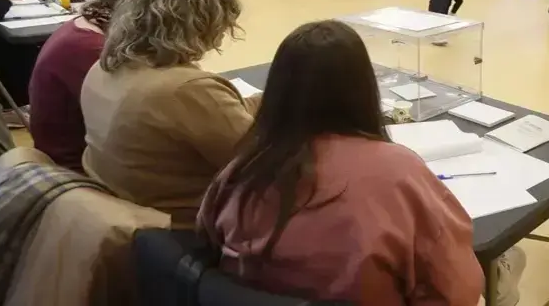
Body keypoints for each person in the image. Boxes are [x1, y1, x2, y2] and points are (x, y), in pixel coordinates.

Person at [198, 20, 512, 304]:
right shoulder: (397, 172)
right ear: (364, 88)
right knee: (506, 268)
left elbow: (207, 244)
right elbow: (457, 290)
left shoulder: (241, 168)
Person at [80, 0, 258, 228]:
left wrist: (274, 100)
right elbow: (264, 166)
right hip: (184, 228)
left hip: (122, 214)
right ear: (208, 16)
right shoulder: (187, 90)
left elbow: (216, 118)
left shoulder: (106, 66)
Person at [28, 0, 149, 172]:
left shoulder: (87, 24)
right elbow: (138, 122)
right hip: (80, 168)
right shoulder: (93, 49)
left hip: (84, 154)